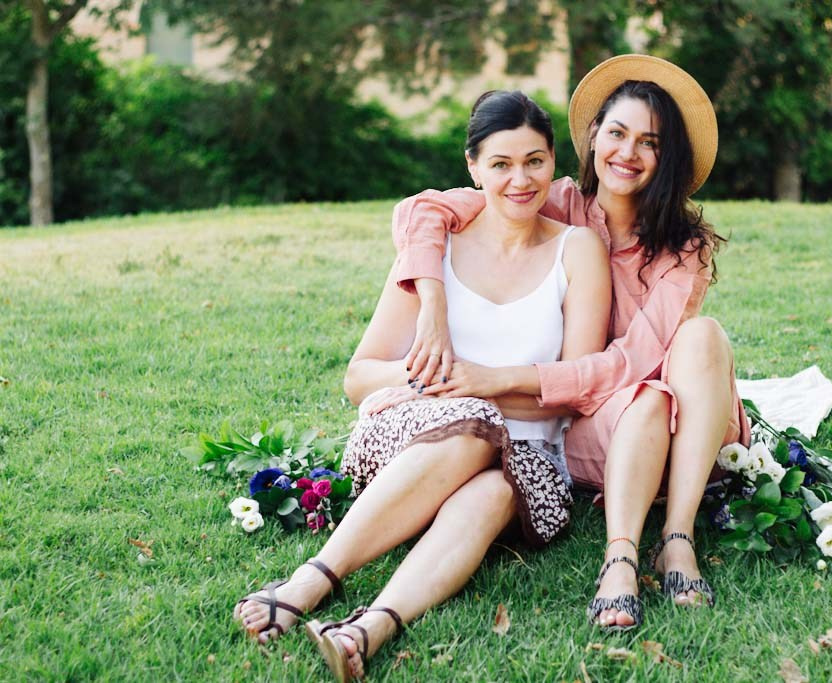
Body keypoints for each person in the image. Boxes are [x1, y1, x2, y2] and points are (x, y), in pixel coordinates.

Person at [232, 90, 610, 681]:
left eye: (534, 161)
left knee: (490, 490)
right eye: (501, 164)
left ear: (553, 160)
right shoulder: (435, 251)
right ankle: (315, 578)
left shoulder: (577, 250)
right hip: (413, 435)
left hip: (530, 457)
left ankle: (370, 626)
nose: (520, 179)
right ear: (472, 166)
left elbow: (576, 386)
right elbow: (361, 375)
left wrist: (481, 386)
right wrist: (435, 384)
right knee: (472, 431)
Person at [390, 55, 751, 631]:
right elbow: (424, 209)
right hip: (594, 429)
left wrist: (502, 378)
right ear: (592, 137)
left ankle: (677, 536)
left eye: (649, 142)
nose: (628, 153)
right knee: (644, 399)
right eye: (617, 133)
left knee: (699, 338)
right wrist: (431, 303)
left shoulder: (686, 249)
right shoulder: (551, 199)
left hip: (674, 428)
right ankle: (621, 556)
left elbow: (633, 362)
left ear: (669, 156)